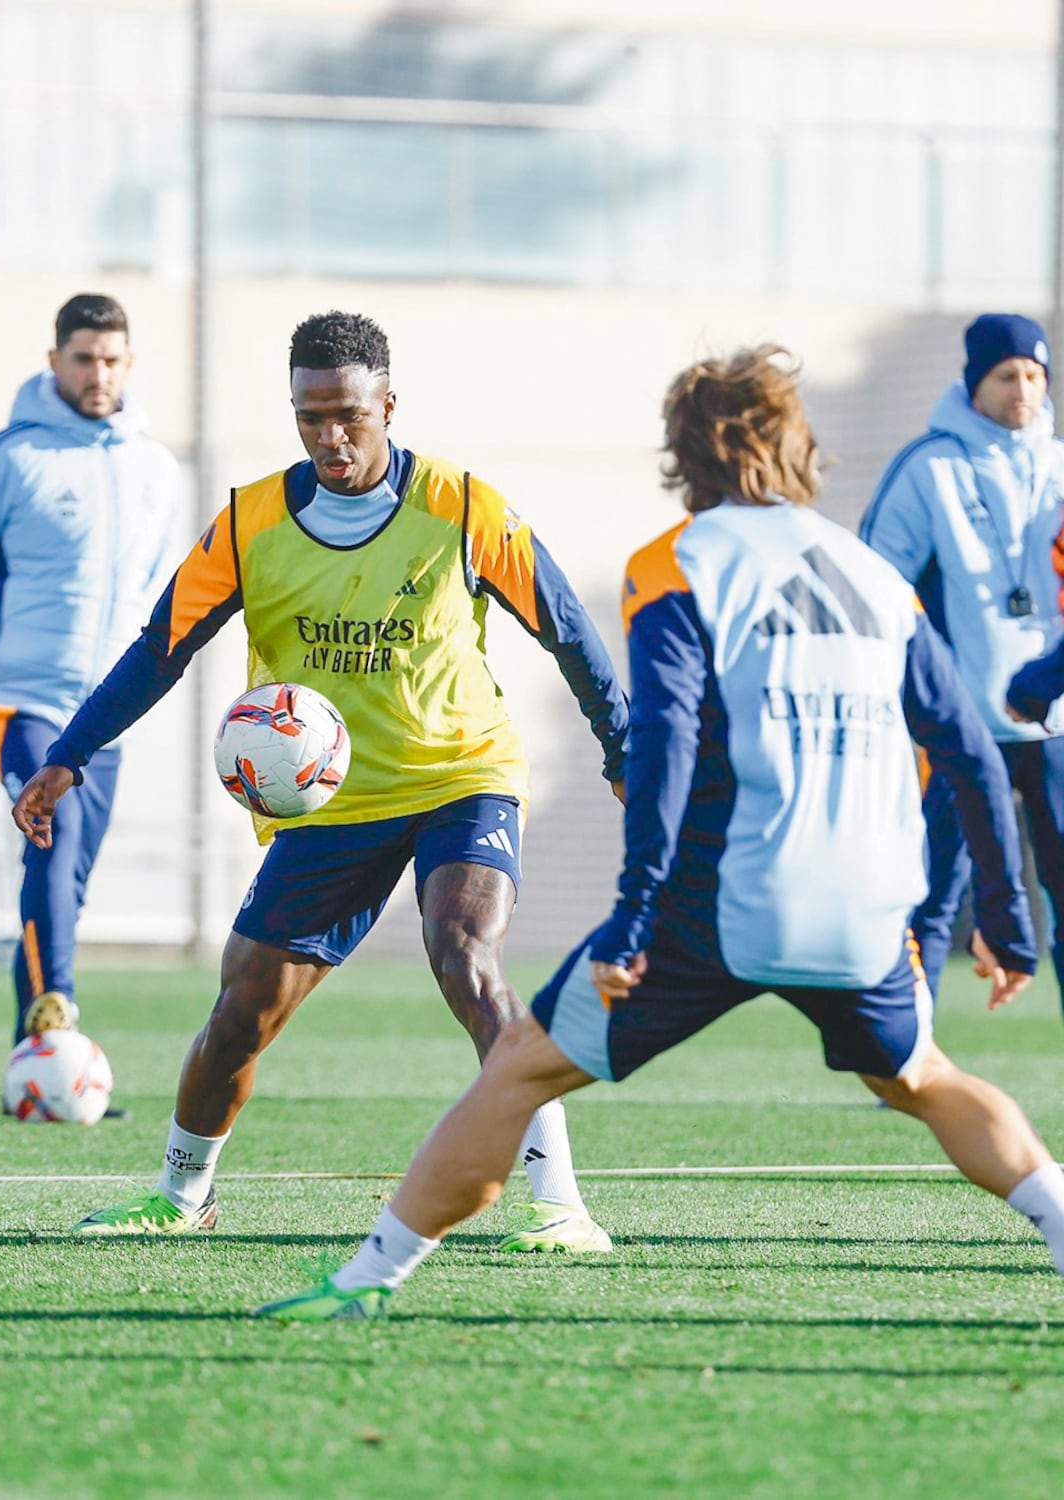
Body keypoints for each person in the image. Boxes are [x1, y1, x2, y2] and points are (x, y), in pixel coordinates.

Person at [252, 345, 1064, 1324]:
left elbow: (667, 744)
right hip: (863, 905)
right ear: (796, 446)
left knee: (519, 1069)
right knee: (924, 1078)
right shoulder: (870, 575)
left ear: (683, 455)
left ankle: (364, 1283)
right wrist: (1010, 924)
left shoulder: (676, 564)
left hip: (718, 901)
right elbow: (973, 752)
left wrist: (633, 916)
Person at [12, 309, 629, 1252]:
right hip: (332, 802)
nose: (330, 436)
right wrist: (69, 754)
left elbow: (569, 630)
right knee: (241, 1010)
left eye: (348, 414)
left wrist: (621, 749)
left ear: (389, 403)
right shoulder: (251, 521)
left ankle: (557, 1203)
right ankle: (182, 1196)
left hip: (460, 776)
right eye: (309, 417)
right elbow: (159, 650)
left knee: (465, 953)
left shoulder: (464, 507)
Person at [0, 292, 179, 1061]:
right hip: (19, 695)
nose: (96, 373)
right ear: (53, 361)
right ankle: (56, 1030)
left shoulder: (154, 469)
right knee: (52, 838)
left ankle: (30, 1053)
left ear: (129, 363)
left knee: (66, 880)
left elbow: (149, 583)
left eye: (110, 359)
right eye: (82, 358)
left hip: (103, 711)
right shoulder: (7, 457)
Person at [859, 314, 1064, 1003]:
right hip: (960, 723)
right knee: (931, 894)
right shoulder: (929, 468)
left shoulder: (1061, 466)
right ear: (975, 382)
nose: (1024, 390)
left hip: (1056, 722)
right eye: (1007, 375)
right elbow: (877, 587)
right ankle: (911, 1049)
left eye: (1035, 375)